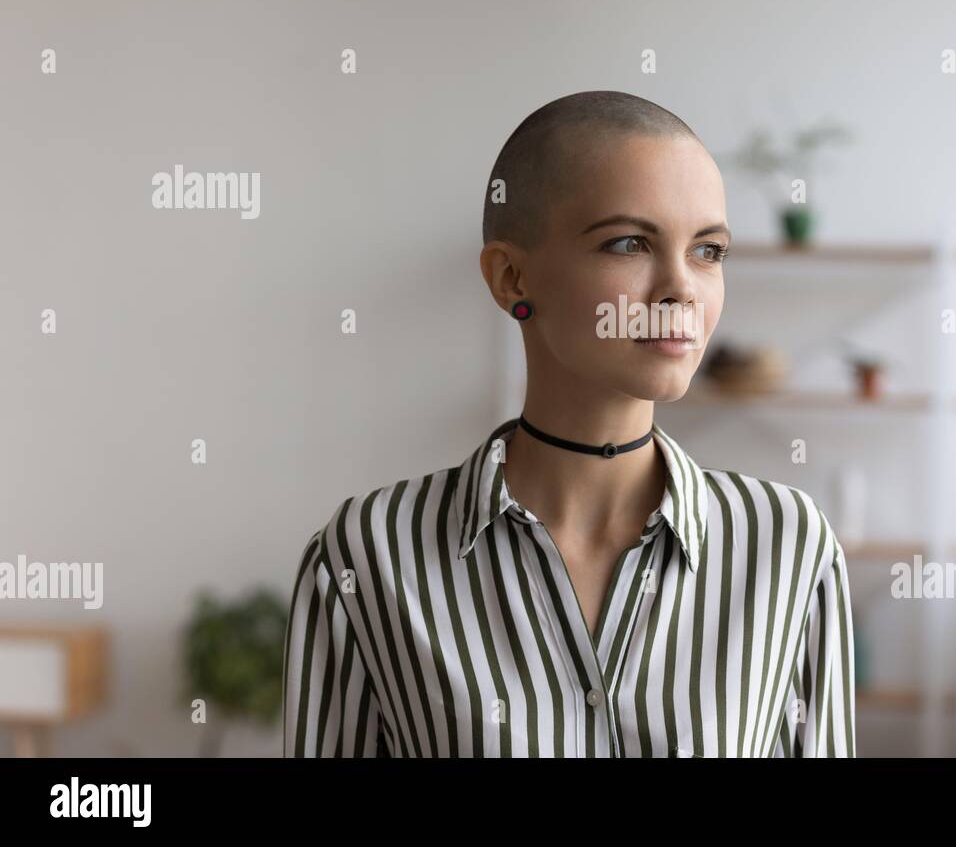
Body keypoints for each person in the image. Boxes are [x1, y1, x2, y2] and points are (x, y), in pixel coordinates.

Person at [283, 90, 855, 757]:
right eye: (628, 243)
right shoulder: (368, 553)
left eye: (709, 250)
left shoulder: (787, 547)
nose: (681, 288)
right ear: (511, 278)